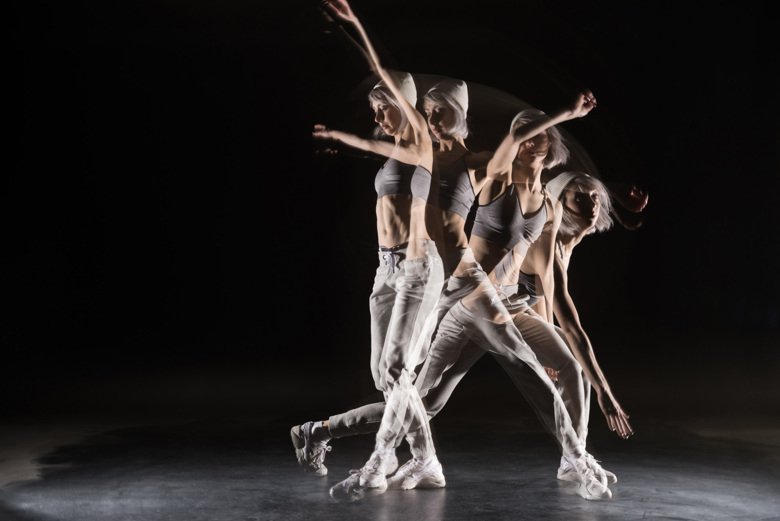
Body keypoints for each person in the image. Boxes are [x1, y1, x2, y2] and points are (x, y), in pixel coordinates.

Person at [295, 0, 444, 500]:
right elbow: (373, 149)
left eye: (384, 105)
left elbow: (384, 71)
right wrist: (340, 138)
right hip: (386, 270)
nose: (377, 113)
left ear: (403, 104)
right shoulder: (394, 153)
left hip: (418, 267)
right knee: (387, 377)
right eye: (374, 107)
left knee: (399, 370)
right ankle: (425, 460)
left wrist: (354, 25)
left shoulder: (421, 140)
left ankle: (394, 461)